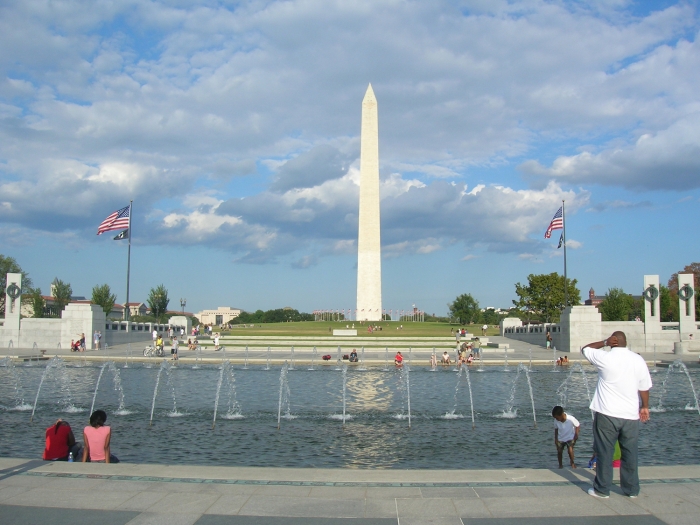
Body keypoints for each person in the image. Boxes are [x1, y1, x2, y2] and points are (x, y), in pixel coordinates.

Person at [582, 331, 652, 499]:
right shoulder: (638, 360)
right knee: (630, 453)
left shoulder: (605, 358)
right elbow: (644, 387)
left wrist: (604, 342)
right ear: (625, 342)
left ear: (613, 342)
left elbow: (585, 349)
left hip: (607, 413)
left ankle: (602, 490)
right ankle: (631, 490)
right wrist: (645, 407)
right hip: (630, 415)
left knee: (605, 452)